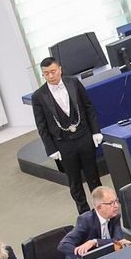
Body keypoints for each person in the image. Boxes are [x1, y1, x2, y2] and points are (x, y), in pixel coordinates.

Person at [31, 58, 103, 215]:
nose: (51, 76)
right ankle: (84, 214)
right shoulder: (39, 96)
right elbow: (41, 125)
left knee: (93, 176)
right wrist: (51, 148)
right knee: (74, 182)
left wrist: (95, 131)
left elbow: (88, 107)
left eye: (53, 71)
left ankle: (102, 208)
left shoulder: (73, 83)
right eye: (46, 73)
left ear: (60, 69)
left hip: (84, 137)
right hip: (63, 144)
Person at [58, 186, 127, 259]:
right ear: (99, 207)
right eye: (111, 203)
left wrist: (95, 242)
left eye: (116, 201)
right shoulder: (86, 220)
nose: (116, 206)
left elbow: (118, 241)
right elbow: (63, 245)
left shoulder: (115, 216)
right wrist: (82, 254)